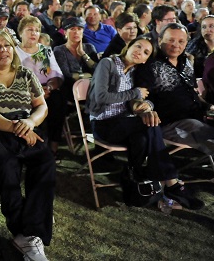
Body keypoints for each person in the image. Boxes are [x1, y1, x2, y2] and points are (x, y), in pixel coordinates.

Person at [135, 22, 214, 246]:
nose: (175, 45)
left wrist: (207, 106)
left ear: (187, 43)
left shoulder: (187, 62)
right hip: (175, 123)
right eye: (170, 40)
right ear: (160, 40)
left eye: (181, 41)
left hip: (202, 117)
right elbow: (141, 95)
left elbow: (193, 93)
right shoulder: (150, 65)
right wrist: (146, 109)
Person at [87, 35, 204, 210]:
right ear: (129, 46)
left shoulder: (135, 72)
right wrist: (135, 94)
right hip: (104, 123)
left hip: (124, 123)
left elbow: (148, 98)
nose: (140, 52)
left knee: (143, 138)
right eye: (138, 46)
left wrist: (146, 106)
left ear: (145, 60)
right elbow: (101, 97)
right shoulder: (108, 63)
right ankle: (171, 182)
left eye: (146, 52)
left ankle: (137, 189)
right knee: (148, 124)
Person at [0, 30, 55, 261]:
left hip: (26, 127)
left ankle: (30, 230)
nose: (3, 50)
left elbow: (41, 107)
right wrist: (14, 127)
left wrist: (29, 123)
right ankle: (21, 232)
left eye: (6, 45)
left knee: (45, 162)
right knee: (8, 167)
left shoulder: (26, 74)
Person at [15, 16, 65, 156]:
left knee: (58, 101)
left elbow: (56, 75)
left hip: (46, 90)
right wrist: (35, 93)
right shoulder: (14, 52)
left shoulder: (44, 50)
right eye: (29, 30)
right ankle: (32, 145)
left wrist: (48, 88)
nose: (34, 33)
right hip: (24, 93)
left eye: (37, 30)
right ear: (20, 32)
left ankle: (53, 147)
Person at [53, 17, 98, 102]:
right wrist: (89, 76)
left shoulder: (89, 47)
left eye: (79, 29)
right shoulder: (59, 50)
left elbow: (98, 70)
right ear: (65, 32)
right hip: (71, 90)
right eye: (72, 29)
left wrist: (83, 54)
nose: (76, 32)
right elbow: (67, 76)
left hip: (92, 89)